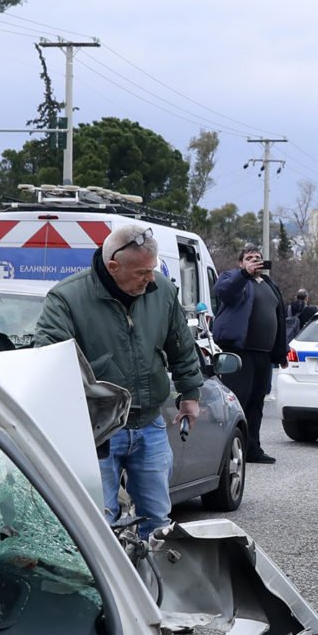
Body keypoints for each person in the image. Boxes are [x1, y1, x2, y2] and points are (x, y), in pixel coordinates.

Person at [33, 221, 207, 541]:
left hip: (149, 424)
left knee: (158, 522)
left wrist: (190, 394)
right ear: (114, 266)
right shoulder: (67, 299)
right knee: (99, 523)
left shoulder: (162, 292)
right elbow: (48, 360)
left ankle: (153, 574)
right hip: (96, 432)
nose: (150, 279)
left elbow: (181, 347)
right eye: (142, 272)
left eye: (152, 269)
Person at [212, 246, 284, 463]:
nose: (254, 261)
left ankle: (252, 449)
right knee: (237, 402)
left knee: (256, 403)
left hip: (264, 354)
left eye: (258, 258)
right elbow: (224, 292)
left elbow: (279, 317)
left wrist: (281, 352)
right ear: (241, 263)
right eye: (249, 258)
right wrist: (244, 274)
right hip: (239, 352)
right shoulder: (232, 277)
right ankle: (227, 450)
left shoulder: (269, 285)